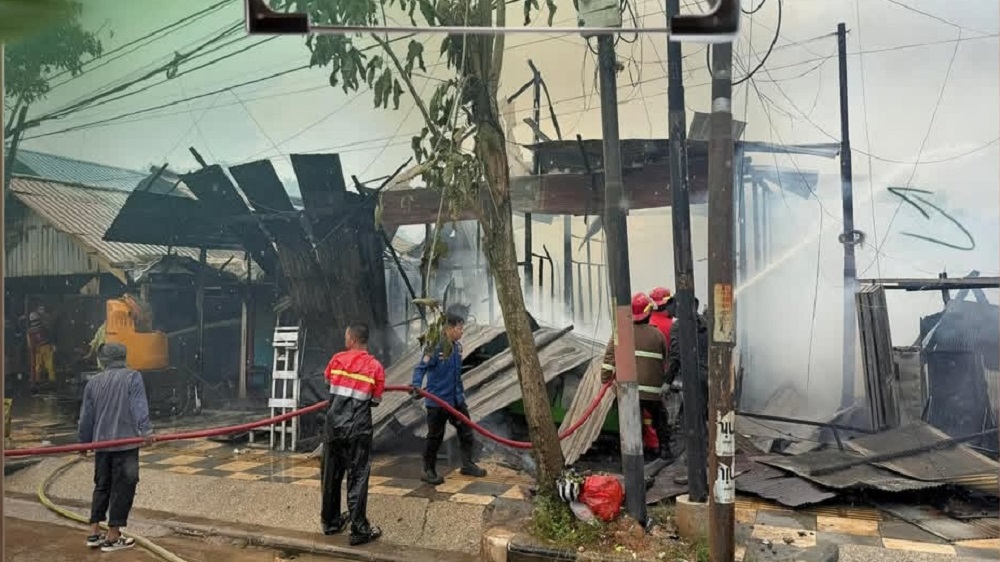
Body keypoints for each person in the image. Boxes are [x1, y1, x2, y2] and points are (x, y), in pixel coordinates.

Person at [77, 343, 154, 553]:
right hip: (125, 444)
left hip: (102, 445)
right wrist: (146, 432)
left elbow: (86, 417)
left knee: (102, 486)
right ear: (124, 357)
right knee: (123, 488)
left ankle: (93, 533)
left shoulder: (93, 382)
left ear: (104, 360)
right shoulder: (132, 377)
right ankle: (113, 536)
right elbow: (139, 407)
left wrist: (83, 443)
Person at [321, 323, 385, 546]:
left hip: (334, 427)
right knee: (357, 476)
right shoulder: (375, 367)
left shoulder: (336, 359)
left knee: (331, 474)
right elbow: (376, 400)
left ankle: (330, 523)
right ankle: (359, 530)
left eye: (346, 336)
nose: (344, 339)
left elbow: (328, 382)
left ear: (353, 340)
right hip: (358, 429)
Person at [411, 312, 487, 485]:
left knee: (466, 431)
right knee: (435, 437)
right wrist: (415, 385)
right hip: (437, 401)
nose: (462, 332)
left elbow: (457, 376)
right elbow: (420, 368)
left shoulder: (458, 348)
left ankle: (467, 464)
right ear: (448, 329)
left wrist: (460, 396)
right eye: (459, 328)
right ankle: (428, 470)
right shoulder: (434, 347)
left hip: (456, 400)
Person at [601, 293, 673, 461]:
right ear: (648, 313)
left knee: (631, 421)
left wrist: (605, 380)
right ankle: (664, 450)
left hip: (628, 390)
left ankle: (629, 454)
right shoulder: (658, 335)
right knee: (660, 417)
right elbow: (665, 359)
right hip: (653, 392)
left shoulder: (621, 333)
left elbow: (608, 360)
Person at [28, 305, 56, 388]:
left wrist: (32, 348)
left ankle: (37, 381)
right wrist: (52, 344)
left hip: (38, 349)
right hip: (46, 347)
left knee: (38, 366)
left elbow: (30, 342)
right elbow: (50, 335)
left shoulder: (30, 330)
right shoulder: (44, 326)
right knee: (49, 365)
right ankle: (51, 381)